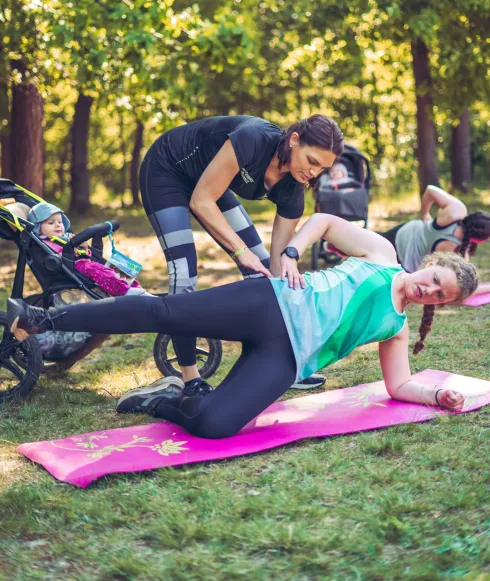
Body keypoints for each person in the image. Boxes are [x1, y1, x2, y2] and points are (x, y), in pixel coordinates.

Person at [8, 213, 478, 439]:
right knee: (164, 312)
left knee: (217, 425)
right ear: (430, 263)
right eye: (434, 280)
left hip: (286, 359)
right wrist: (292, 251)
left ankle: (167, 399)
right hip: (270, 302)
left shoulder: (395, 326)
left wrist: (435, 396)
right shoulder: (383, 254)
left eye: (441, 297)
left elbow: (398, 385)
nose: (429, 292)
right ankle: (43, 318)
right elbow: (326, 221)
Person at [139, 114, 344, 391]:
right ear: (294, 140)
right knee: (184, 273)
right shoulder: (253, 139)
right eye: (312, 161)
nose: (314, 173)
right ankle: (190, 378)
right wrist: (239, 251)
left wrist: (287, 272)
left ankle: (284, 364)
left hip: (211, 181)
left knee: (263, 276)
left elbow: (276, 266)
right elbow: (201, 201)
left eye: (323, 168)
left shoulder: (292, 189)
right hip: (167, 171)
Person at [28, 202, 151, 297]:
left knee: (114, 267)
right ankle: (124, 291)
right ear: (38, 228)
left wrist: (85, 247)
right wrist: (70, 249)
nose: (58, 225)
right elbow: (56, 259)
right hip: (71, 269)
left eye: (60, 222)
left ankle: (139, 290)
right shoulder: (44, 244)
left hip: (84, 263)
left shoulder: (67, 237)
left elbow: (84, 254)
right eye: (51, 223)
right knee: (95, 268)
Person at [378, 185, 490, 277]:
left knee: (372, 246)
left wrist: (424, 213)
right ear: (477, 239)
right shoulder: (455, 251)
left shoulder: (457, 209)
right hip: (406, 258)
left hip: (405, 233)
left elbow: (430, 190)